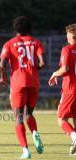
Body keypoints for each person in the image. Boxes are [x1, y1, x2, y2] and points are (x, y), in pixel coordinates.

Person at [0, 16, 45, 159]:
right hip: (33, 82)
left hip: (18, 83)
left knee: (18, 118)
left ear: (15, 28)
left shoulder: (9, 43)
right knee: (29, 114)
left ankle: (25, 151)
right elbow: (42, 63)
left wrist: (3, 77)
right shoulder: (36, 42)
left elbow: (2, 64)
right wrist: (34, 69)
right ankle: (35, 133)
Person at [48, 23, 76, 155]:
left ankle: (74, 137)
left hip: (71, 89)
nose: (66, 36)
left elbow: (65, 69)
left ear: (71, 35)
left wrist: (54, 74)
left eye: (67, 34)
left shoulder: (67, 49)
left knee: (61, 119)